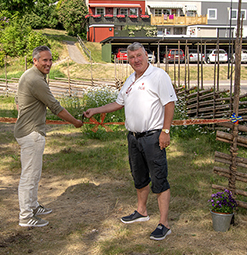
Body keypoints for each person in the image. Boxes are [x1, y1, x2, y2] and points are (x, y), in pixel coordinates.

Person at [84, 42, 176, 240]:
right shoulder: (130, 80)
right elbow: (118, 103)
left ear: (146, 55)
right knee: (139, 176)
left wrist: (165, 131)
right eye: (132, 57)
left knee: (159, 177)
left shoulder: (158, 76)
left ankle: (164, 223)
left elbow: (169, 103)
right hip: (133, 137)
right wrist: (96, 110)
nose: (136, 60)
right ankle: (141, 212)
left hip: (153, 136)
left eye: (139, 56)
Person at [15, 45, 83, 227]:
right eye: (45, 60)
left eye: (51, 60)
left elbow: (18, 103)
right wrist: (75, 122)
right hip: (31, 133)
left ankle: (33, 206)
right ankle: (26, 216)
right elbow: (55, 107)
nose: (49, 63)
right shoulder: (35, 80)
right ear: (35, 60)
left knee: (34, 174)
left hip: (28, 131)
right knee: (29, 176)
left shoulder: (30, 75)